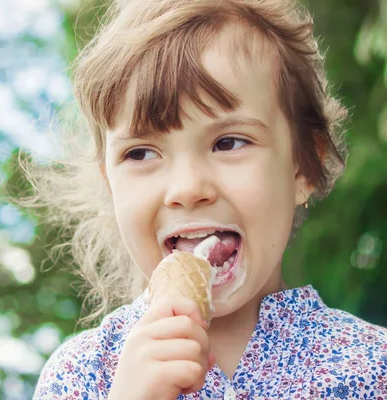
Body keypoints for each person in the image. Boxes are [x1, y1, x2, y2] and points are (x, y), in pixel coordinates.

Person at [27, 0, 387, 398]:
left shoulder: (372, 366)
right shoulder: (83, 373)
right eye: (142, 153)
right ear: (111, 187)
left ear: (302, 168)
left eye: (228, 143)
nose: (187, 189)